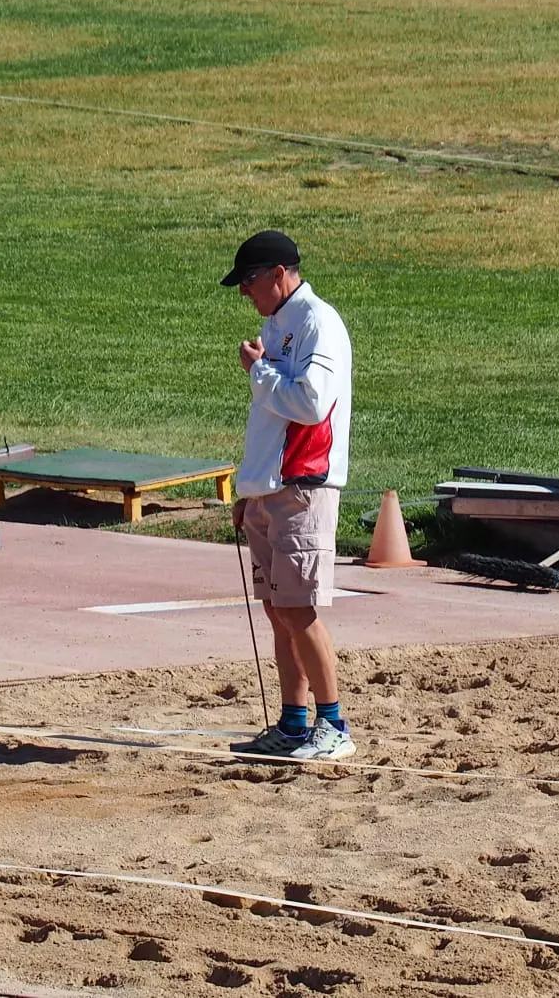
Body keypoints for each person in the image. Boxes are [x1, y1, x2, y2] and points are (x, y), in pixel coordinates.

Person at [219, 231, 357, 761]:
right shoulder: (277, 325)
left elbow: (310, 404)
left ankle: (333, 724)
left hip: (304, 488)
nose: (244, 292)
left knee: (300, 610)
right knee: (278, 608)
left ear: (279, 273)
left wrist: (259, 369)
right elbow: (268, 418)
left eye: (249, 281)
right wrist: (247, 486)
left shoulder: (318, 322)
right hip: (269, 490)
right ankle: (294, 723)